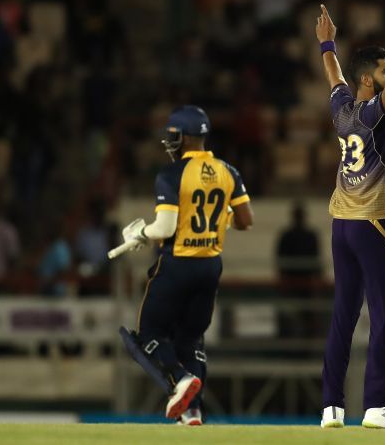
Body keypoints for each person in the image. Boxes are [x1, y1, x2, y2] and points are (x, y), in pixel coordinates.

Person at [316, 4, 385, 429]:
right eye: (381, 70)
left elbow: (333, 74)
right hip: (376, 221)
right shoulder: (369, 113)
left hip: (341, 224)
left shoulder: (342, 108)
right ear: (368, 79)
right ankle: (378, 403)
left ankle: (331, 406)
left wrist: (327, 42)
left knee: (344, 313)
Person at [116, 106, 254, 425]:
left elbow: (164, 229)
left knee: (149, 333)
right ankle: (193, 410)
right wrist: (218, 221)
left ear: (187, 137)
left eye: (174, 135)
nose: (170, 141)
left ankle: (179, 379)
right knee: (190, 339)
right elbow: (245, 221)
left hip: (177, 264)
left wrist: (141, 233)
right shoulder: (228, 171)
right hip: (210, 267)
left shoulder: (171, 174)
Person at [276, 202, 323, 341]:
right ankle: (292, 346)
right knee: (291, 316)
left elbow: (316, 260)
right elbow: (281, 261)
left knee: (307, 315)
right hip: (292, 283)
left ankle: (305, 347)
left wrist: (317, 281)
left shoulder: (310, 236)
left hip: (306, 284)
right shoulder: (287, 236)